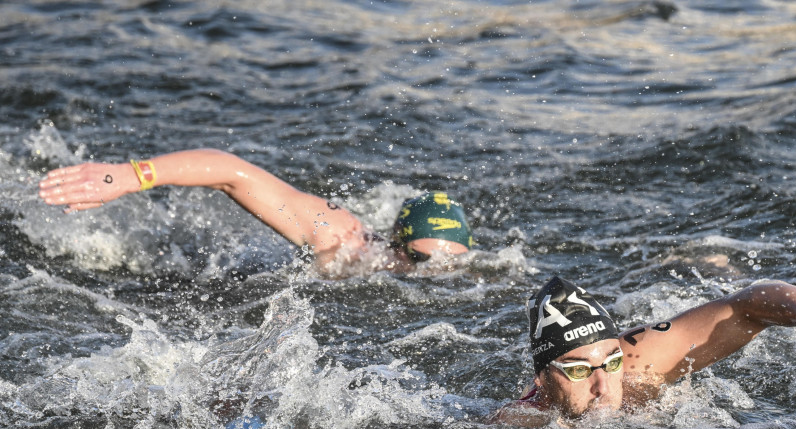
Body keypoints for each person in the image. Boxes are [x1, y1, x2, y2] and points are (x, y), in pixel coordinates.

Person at [492, 276, 796, 426]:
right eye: (579, 371)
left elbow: (747, 304)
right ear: (541, 379)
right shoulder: (521, 425)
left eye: (610, 362)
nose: (603, 385)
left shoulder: (639, 357)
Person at [38, 149, 474, 273]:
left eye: (450, 265)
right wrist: (132, 175)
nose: (433, 274)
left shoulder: (479, 277)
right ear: (397, 242)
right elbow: (233, 172)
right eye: (420, 259)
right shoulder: (336, 235)